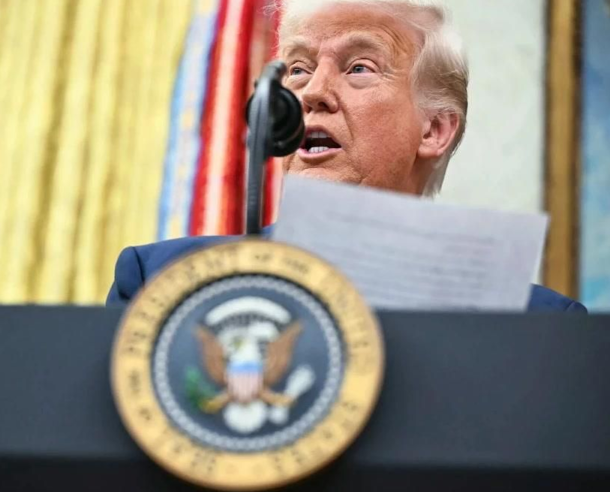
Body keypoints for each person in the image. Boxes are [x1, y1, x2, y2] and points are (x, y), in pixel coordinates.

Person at [107, 0, 586, 312]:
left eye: (359, 67)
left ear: (435, 129)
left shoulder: (538, 323)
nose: (314, 92)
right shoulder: (160, 285)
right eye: (298, 68)